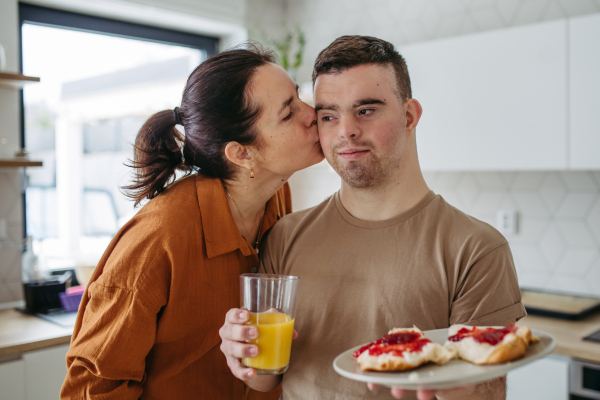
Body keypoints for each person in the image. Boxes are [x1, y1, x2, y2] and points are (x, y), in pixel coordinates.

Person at [219, 36, 526, 400]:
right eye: (328, 116)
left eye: (365, 110)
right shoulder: (284, 236)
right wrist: (243, 354)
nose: (346, 130)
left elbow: (487, 395)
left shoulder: (476, 249)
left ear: (409, 116)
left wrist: (457, 387)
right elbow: (265, 379)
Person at [60, 44, 323, 400]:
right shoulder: (160, 238)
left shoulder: (275, 195)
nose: (314, 113)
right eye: (288, 113)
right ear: (241, 153)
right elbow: (90, 389)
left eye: (298, 97)